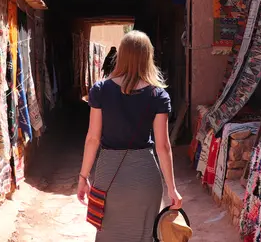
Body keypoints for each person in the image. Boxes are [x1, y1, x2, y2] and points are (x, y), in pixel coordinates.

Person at [77, 30, 182, 241]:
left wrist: (83, 177)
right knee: (144, 235)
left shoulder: (100, 90)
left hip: (108, 176)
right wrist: (172, 188)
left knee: (108, 234)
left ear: (121, 56)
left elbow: (93, 139)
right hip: (145, 177)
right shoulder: (158, 95)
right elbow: (163, 146)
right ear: (148, 56)